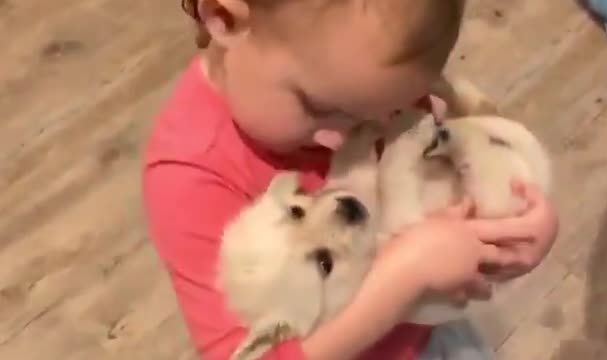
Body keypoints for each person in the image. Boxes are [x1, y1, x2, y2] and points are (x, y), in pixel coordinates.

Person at [142, 0, 559, 359]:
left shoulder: (361, 80)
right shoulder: (191, 176)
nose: (342, 136)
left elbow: (449, 178)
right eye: (318, 108)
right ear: (225, 18)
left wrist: (515, 227)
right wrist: (406, 275)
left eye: (384, 109)